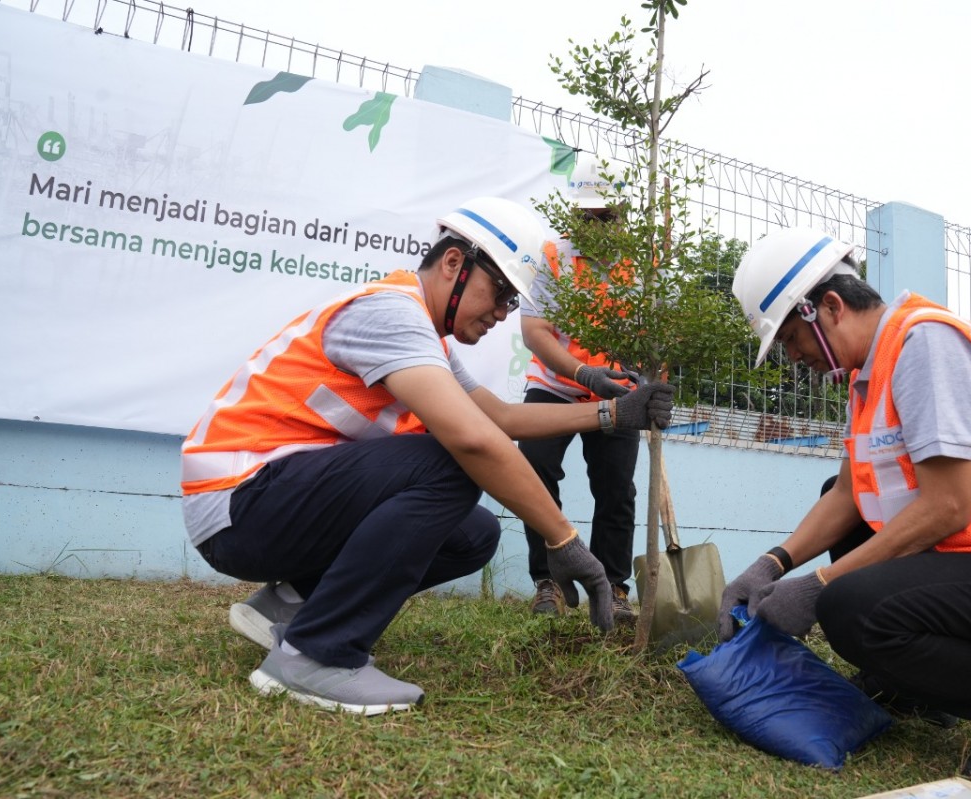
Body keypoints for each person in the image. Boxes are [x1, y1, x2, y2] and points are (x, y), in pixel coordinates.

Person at [180, 196, 675, 715]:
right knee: (450, 460)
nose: (502, 314)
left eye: (511, 301)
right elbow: (475, 440)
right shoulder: (391, 312)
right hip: (239, 505)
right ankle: (316, 656)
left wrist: (613, 416)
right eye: (500, 292)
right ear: (455, 263)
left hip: (268, 503)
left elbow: (501, 420)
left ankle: (289, 604)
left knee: (474, 535)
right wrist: (564, 539)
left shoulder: (425, 339)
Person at [718, 227, 971, 782]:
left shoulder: (926, 346)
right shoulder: (868, 373)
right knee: (857, 514)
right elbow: (846, 495)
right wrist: (773, 563)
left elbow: (946, 509)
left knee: (847, 606)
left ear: (830, 307)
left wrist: (817, 589)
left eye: (792, 339)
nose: (794, 357)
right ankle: (912, 686)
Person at [518, 157, 641, 624]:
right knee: (533, 468)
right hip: (556, 386)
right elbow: (535, 331)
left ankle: (613, 587)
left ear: (622, 212)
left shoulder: (644, 263)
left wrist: (652, 384)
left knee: (616, 490)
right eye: (585, 216)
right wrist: (583, 373)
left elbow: (659, 339)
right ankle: (549, 582)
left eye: (604, 216)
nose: (594, 226)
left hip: (619, 393)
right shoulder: (554, 256)